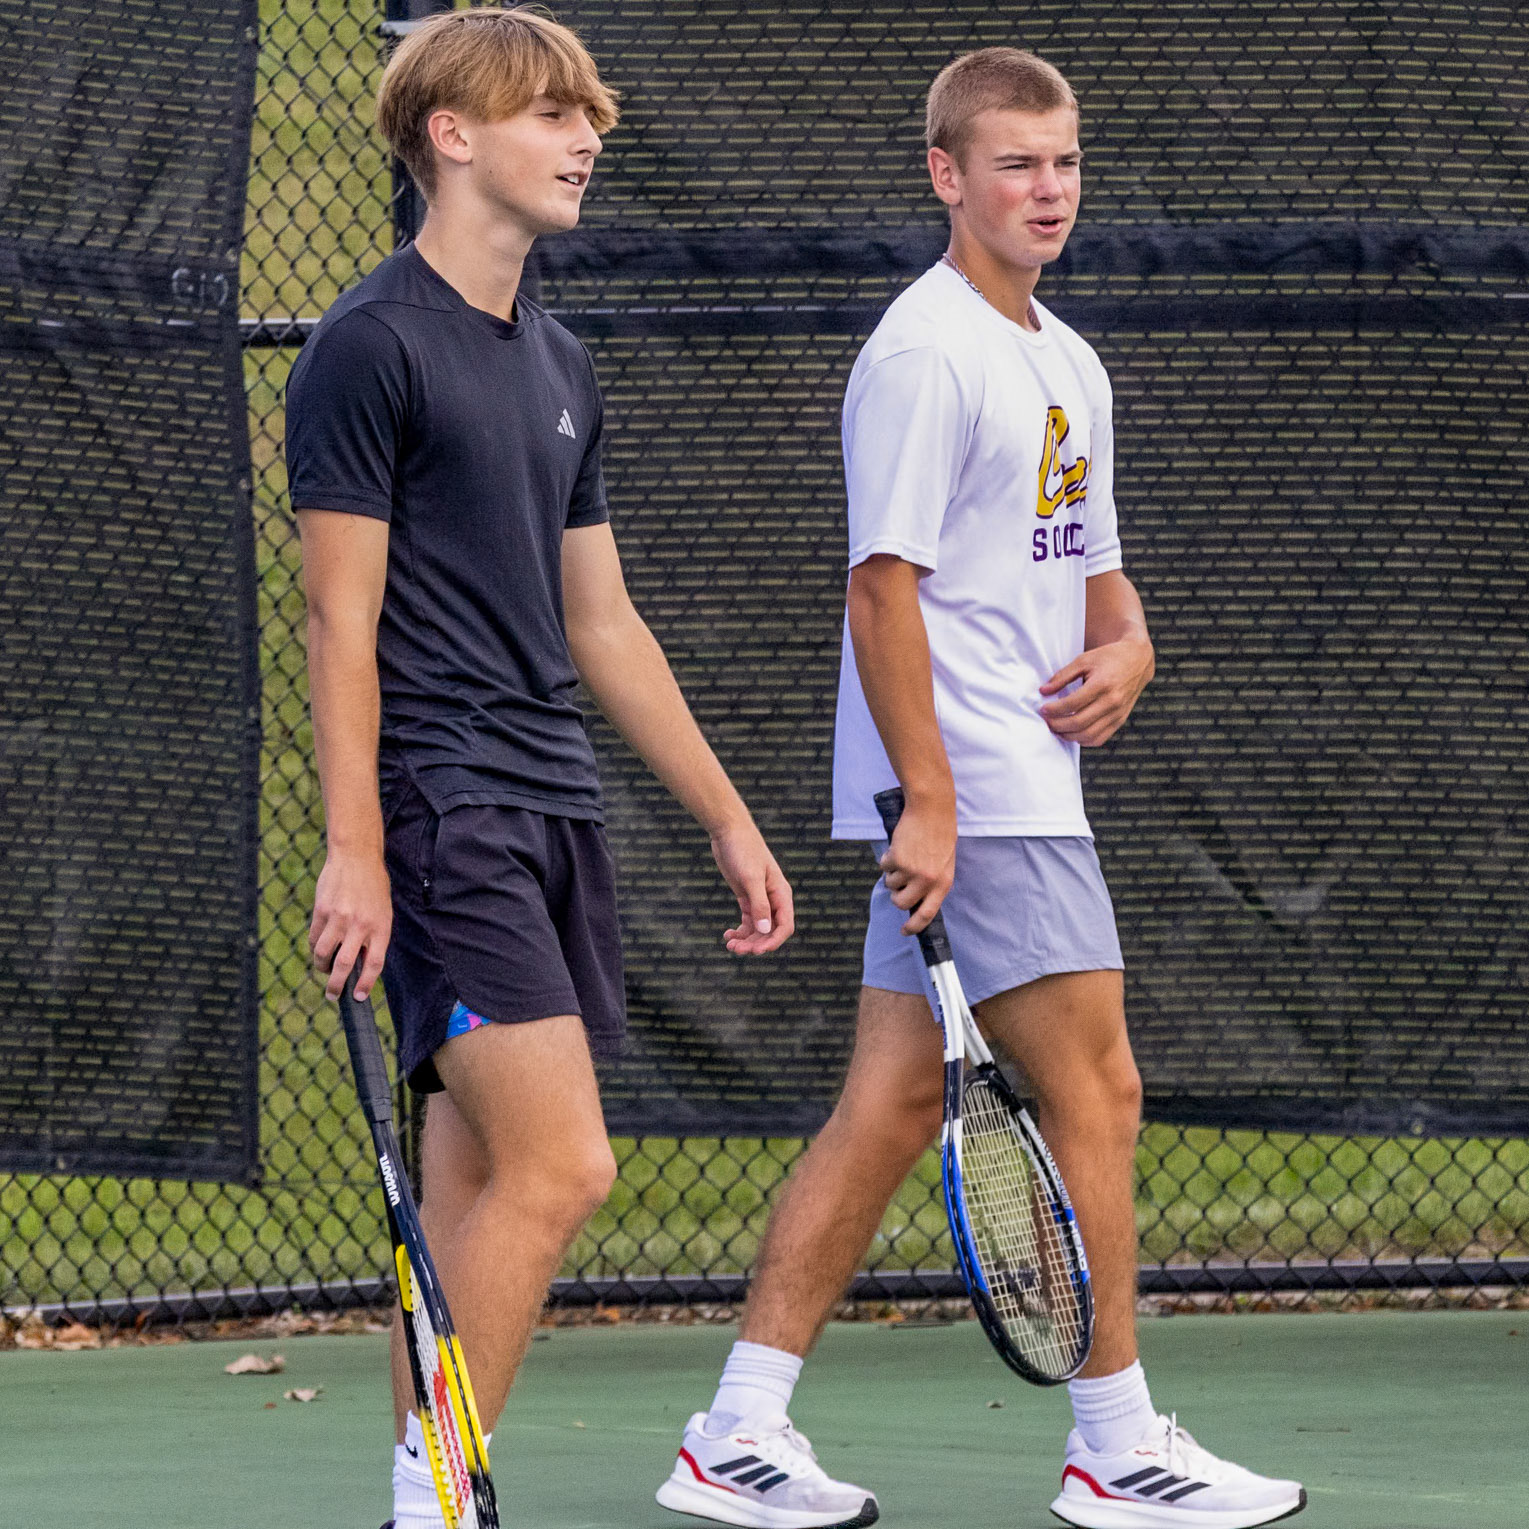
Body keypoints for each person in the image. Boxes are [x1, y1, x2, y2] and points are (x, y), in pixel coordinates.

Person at [655, 47, 1305, 1529]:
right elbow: (879, 591)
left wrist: (1132, 648)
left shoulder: (1063, 358)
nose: (1047, 188)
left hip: (1017, 785)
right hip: (980, 791)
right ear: (946, 175)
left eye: (1063, 160)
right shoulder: (923, 351)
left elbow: (1091, 573)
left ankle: (733, 1428)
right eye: (1014, 163)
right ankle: (1116, 1443)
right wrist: (932, 798)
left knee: (887, 1107)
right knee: (1099, 1089)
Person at [284, 10, 795, 1529]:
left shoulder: (560, 359)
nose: (585, 138)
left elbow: (604, 619)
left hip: (556, 803)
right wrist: (356, 844)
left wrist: (722, 814)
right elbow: (338, 616)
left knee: (466, 1195)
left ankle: (422, 1497)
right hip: (447, 812)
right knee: (564, 1167)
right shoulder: (366, 349)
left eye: (590, 114)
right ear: (450, 132)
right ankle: (435, 1500)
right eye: (548, 111)